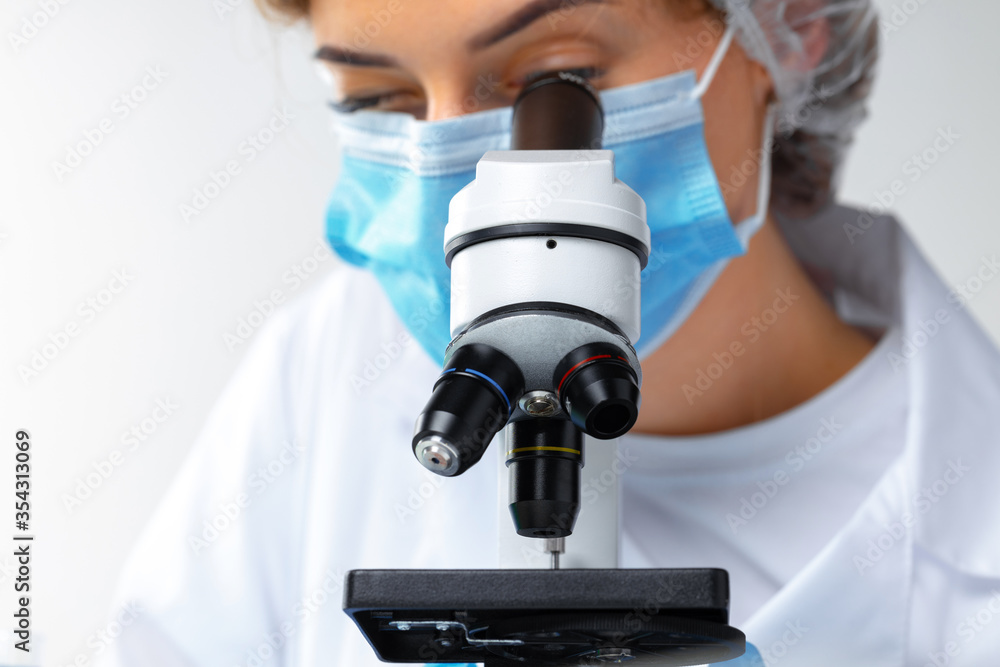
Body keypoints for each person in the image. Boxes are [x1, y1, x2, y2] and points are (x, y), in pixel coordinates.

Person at [101, 1, 1000, 665]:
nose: (456, 167)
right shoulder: (324, 367)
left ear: (787, 23)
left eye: (551, 85)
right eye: (382, 100)